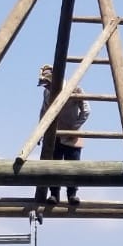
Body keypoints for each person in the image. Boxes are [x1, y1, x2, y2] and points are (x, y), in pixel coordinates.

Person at [36, 65, 90, 208]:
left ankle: (72, 194)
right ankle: (54, 194)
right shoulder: (47, 93)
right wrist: (40, 133)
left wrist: (74, 128)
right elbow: (44, 112)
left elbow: (86, 110)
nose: (45, 87)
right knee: (54, 166)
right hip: (54, 134)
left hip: (72, 135)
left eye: (47, 84)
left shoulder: (75, 88)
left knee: (72, 166)